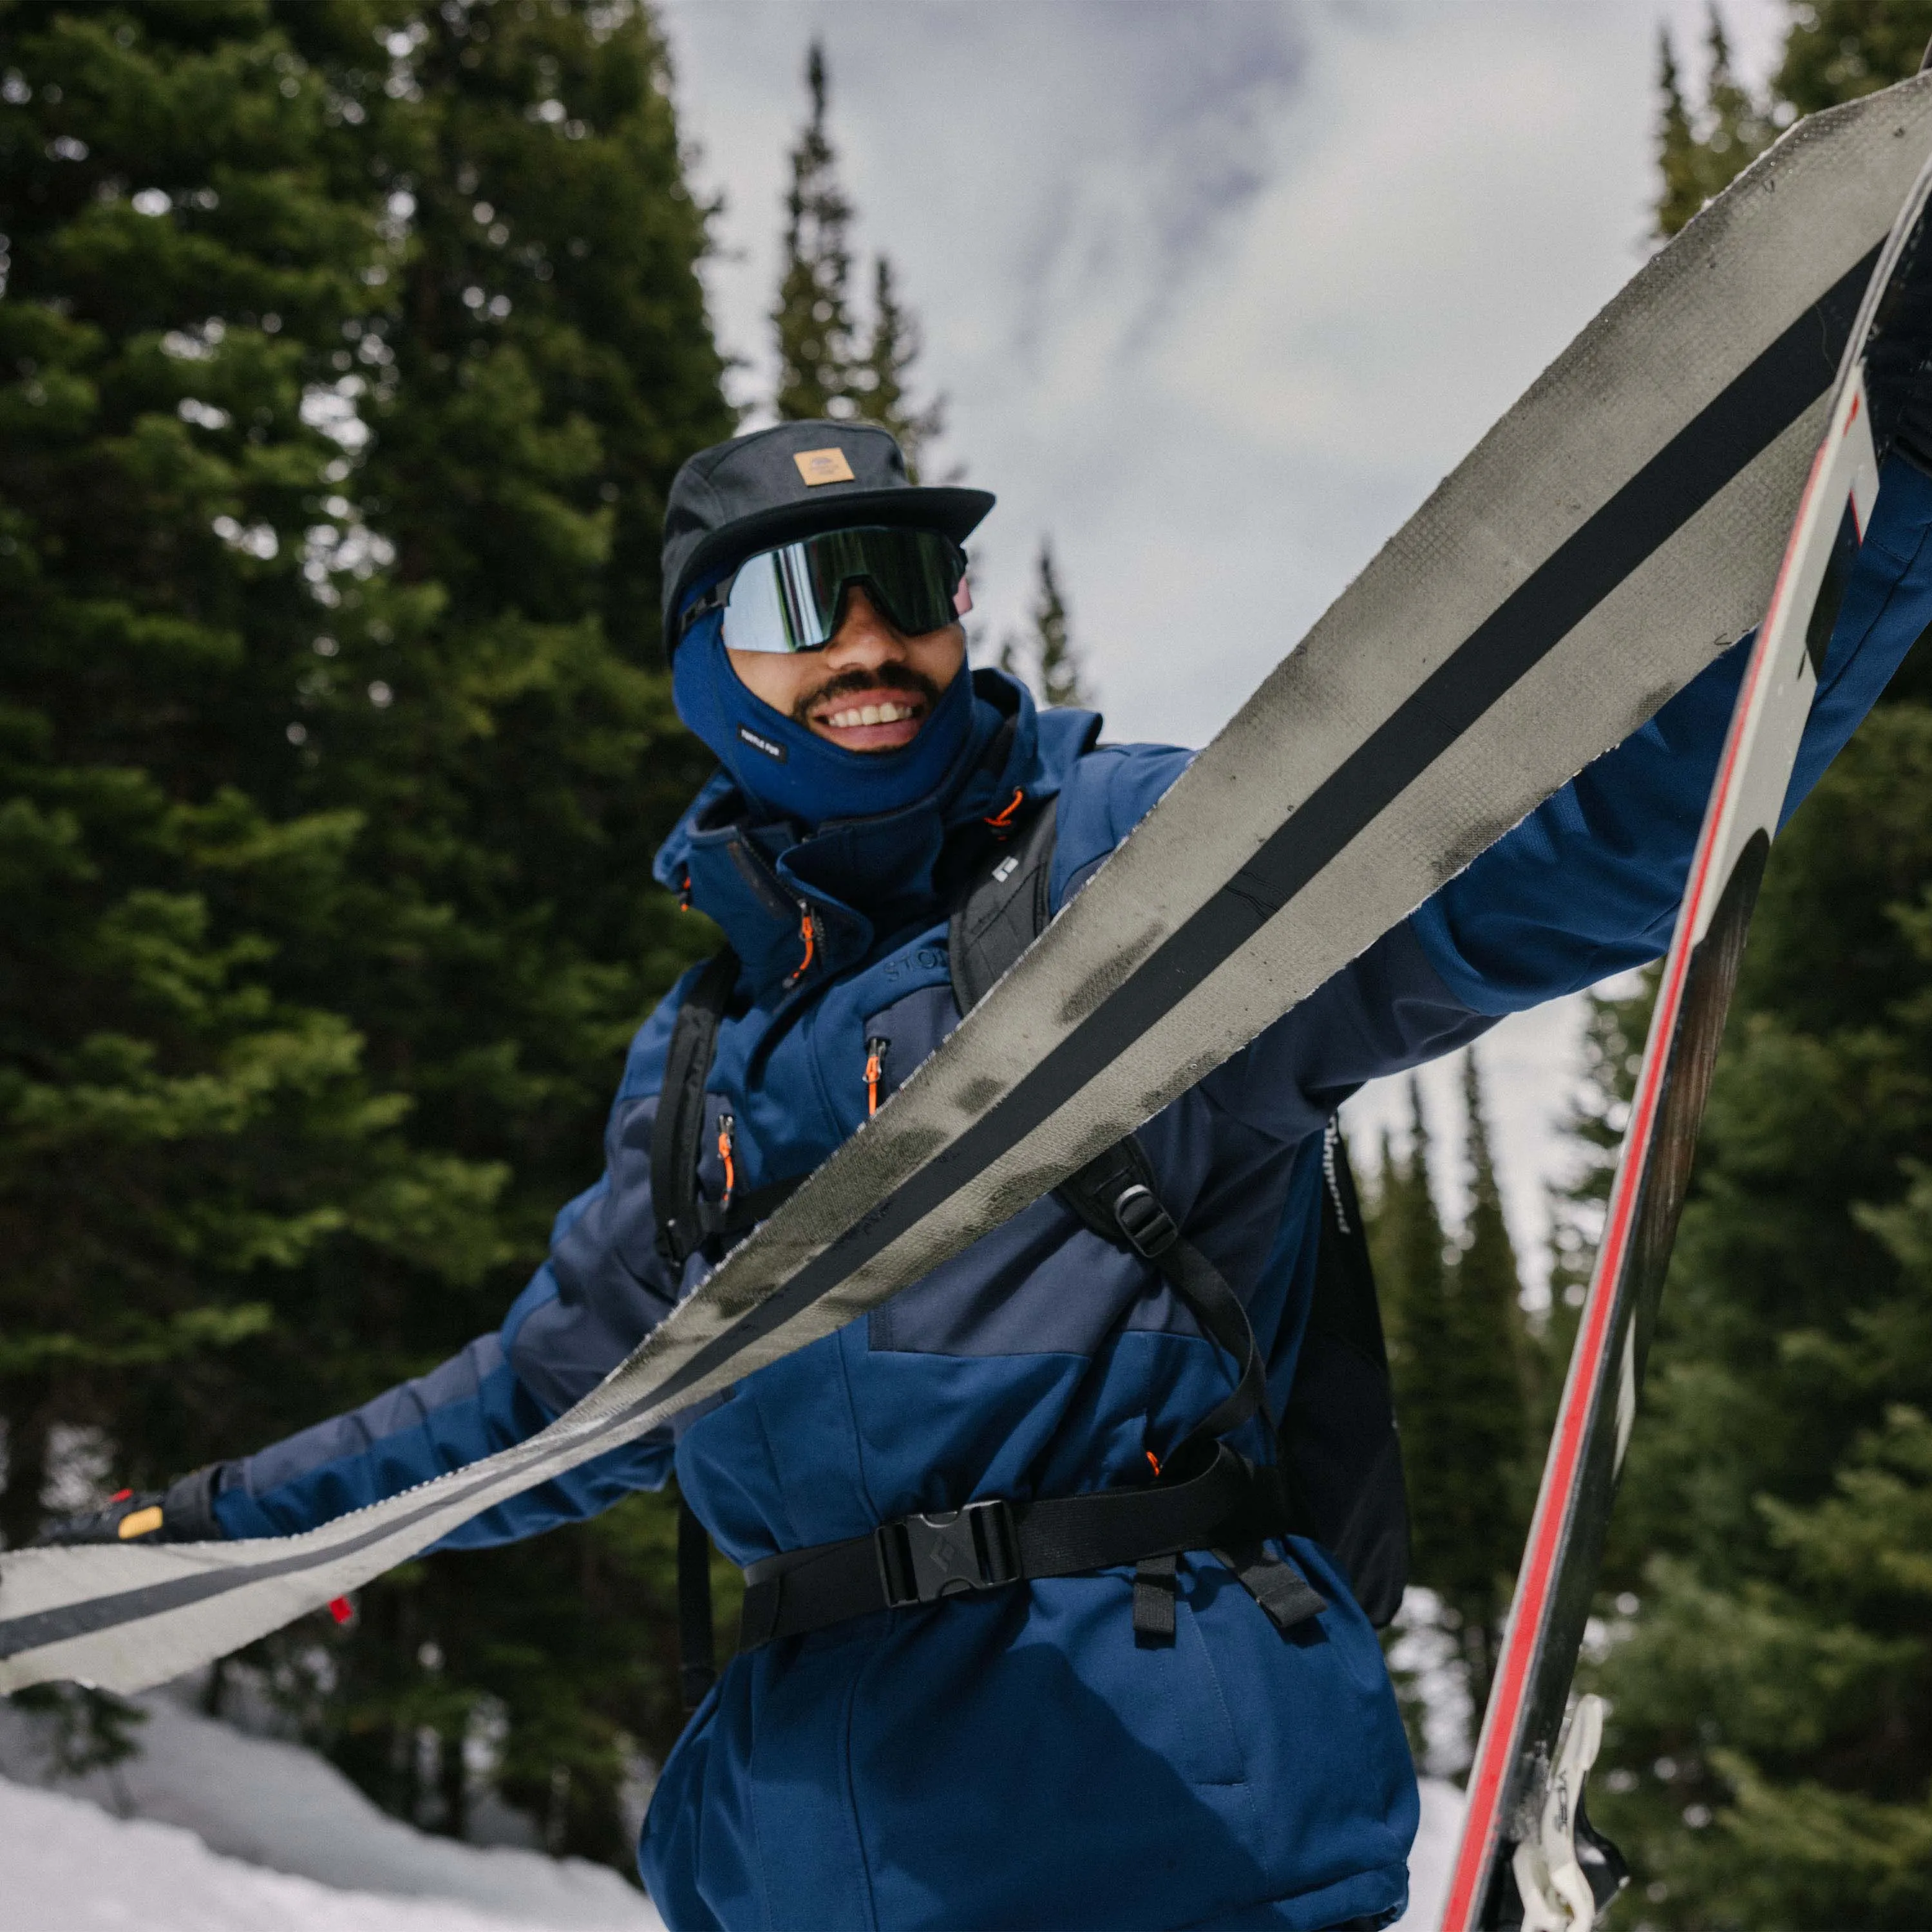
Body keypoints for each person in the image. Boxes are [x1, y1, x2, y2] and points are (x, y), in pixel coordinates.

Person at [39, 406, 1932, 1931]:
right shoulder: (698, 1055)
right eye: (804, 595)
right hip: (791, 1859)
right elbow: (542, 1408)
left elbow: (1551, 851)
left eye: (907, 581)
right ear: (702, 660)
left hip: (1167, 1829)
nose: (871, 640)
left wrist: (1891, 492)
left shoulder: (1127, 868)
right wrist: (216, 1528)